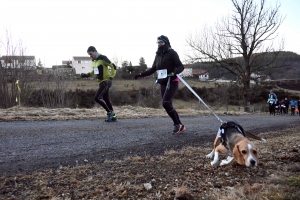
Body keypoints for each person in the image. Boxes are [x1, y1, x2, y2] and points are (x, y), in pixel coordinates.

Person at [135, 35, 185, 134]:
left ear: (166, 42)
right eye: (158, 42)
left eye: (161, 42)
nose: (159, 44)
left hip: (172, 81)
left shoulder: (172, 53)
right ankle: (180, 125)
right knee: (168, 104)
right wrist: (141, 74)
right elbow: (153, 69)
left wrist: (174, 72)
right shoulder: (158, 55)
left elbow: (181, 66)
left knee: (165, 103)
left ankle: (176, 125)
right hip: (163, 82)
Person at [81, 46, 117, 122]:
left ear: (95, 51)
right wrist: (86, 75)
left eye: (91, 54)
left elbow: (113, 66)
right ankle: (113, 116)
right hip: (101, 82)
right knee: (106, 99)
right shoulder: (94, 61)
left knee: (97, 97)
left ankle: (109, 113)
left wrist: (111, 78)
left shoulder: (103, 58)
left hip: (106, 81)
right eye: (89, 55)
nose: (90, 56)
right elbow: (95, 71)